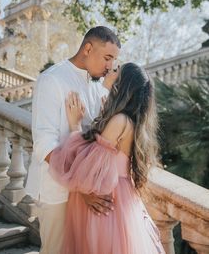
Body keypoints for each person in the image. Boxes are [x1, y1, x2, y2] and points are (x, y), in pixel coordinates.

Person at [49, 62, 166, 254]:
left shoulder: (119, 120)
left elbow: (87, 166)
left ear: (123, 83)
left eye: (116, 70)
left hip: (107, 194)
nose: (109, 69)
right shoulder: (125, 119)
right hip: (115, 191)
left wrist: (75, 127)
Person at [25, 26, 121, 254]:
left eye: (114, 60)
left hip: (85, 192)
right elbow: (44, 145)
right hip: (55, 191)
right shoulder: (52, 79)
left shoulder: (97, 88)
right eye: (107, 57)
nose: (110, 66)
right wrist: (81, 188)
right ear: (88, 48)